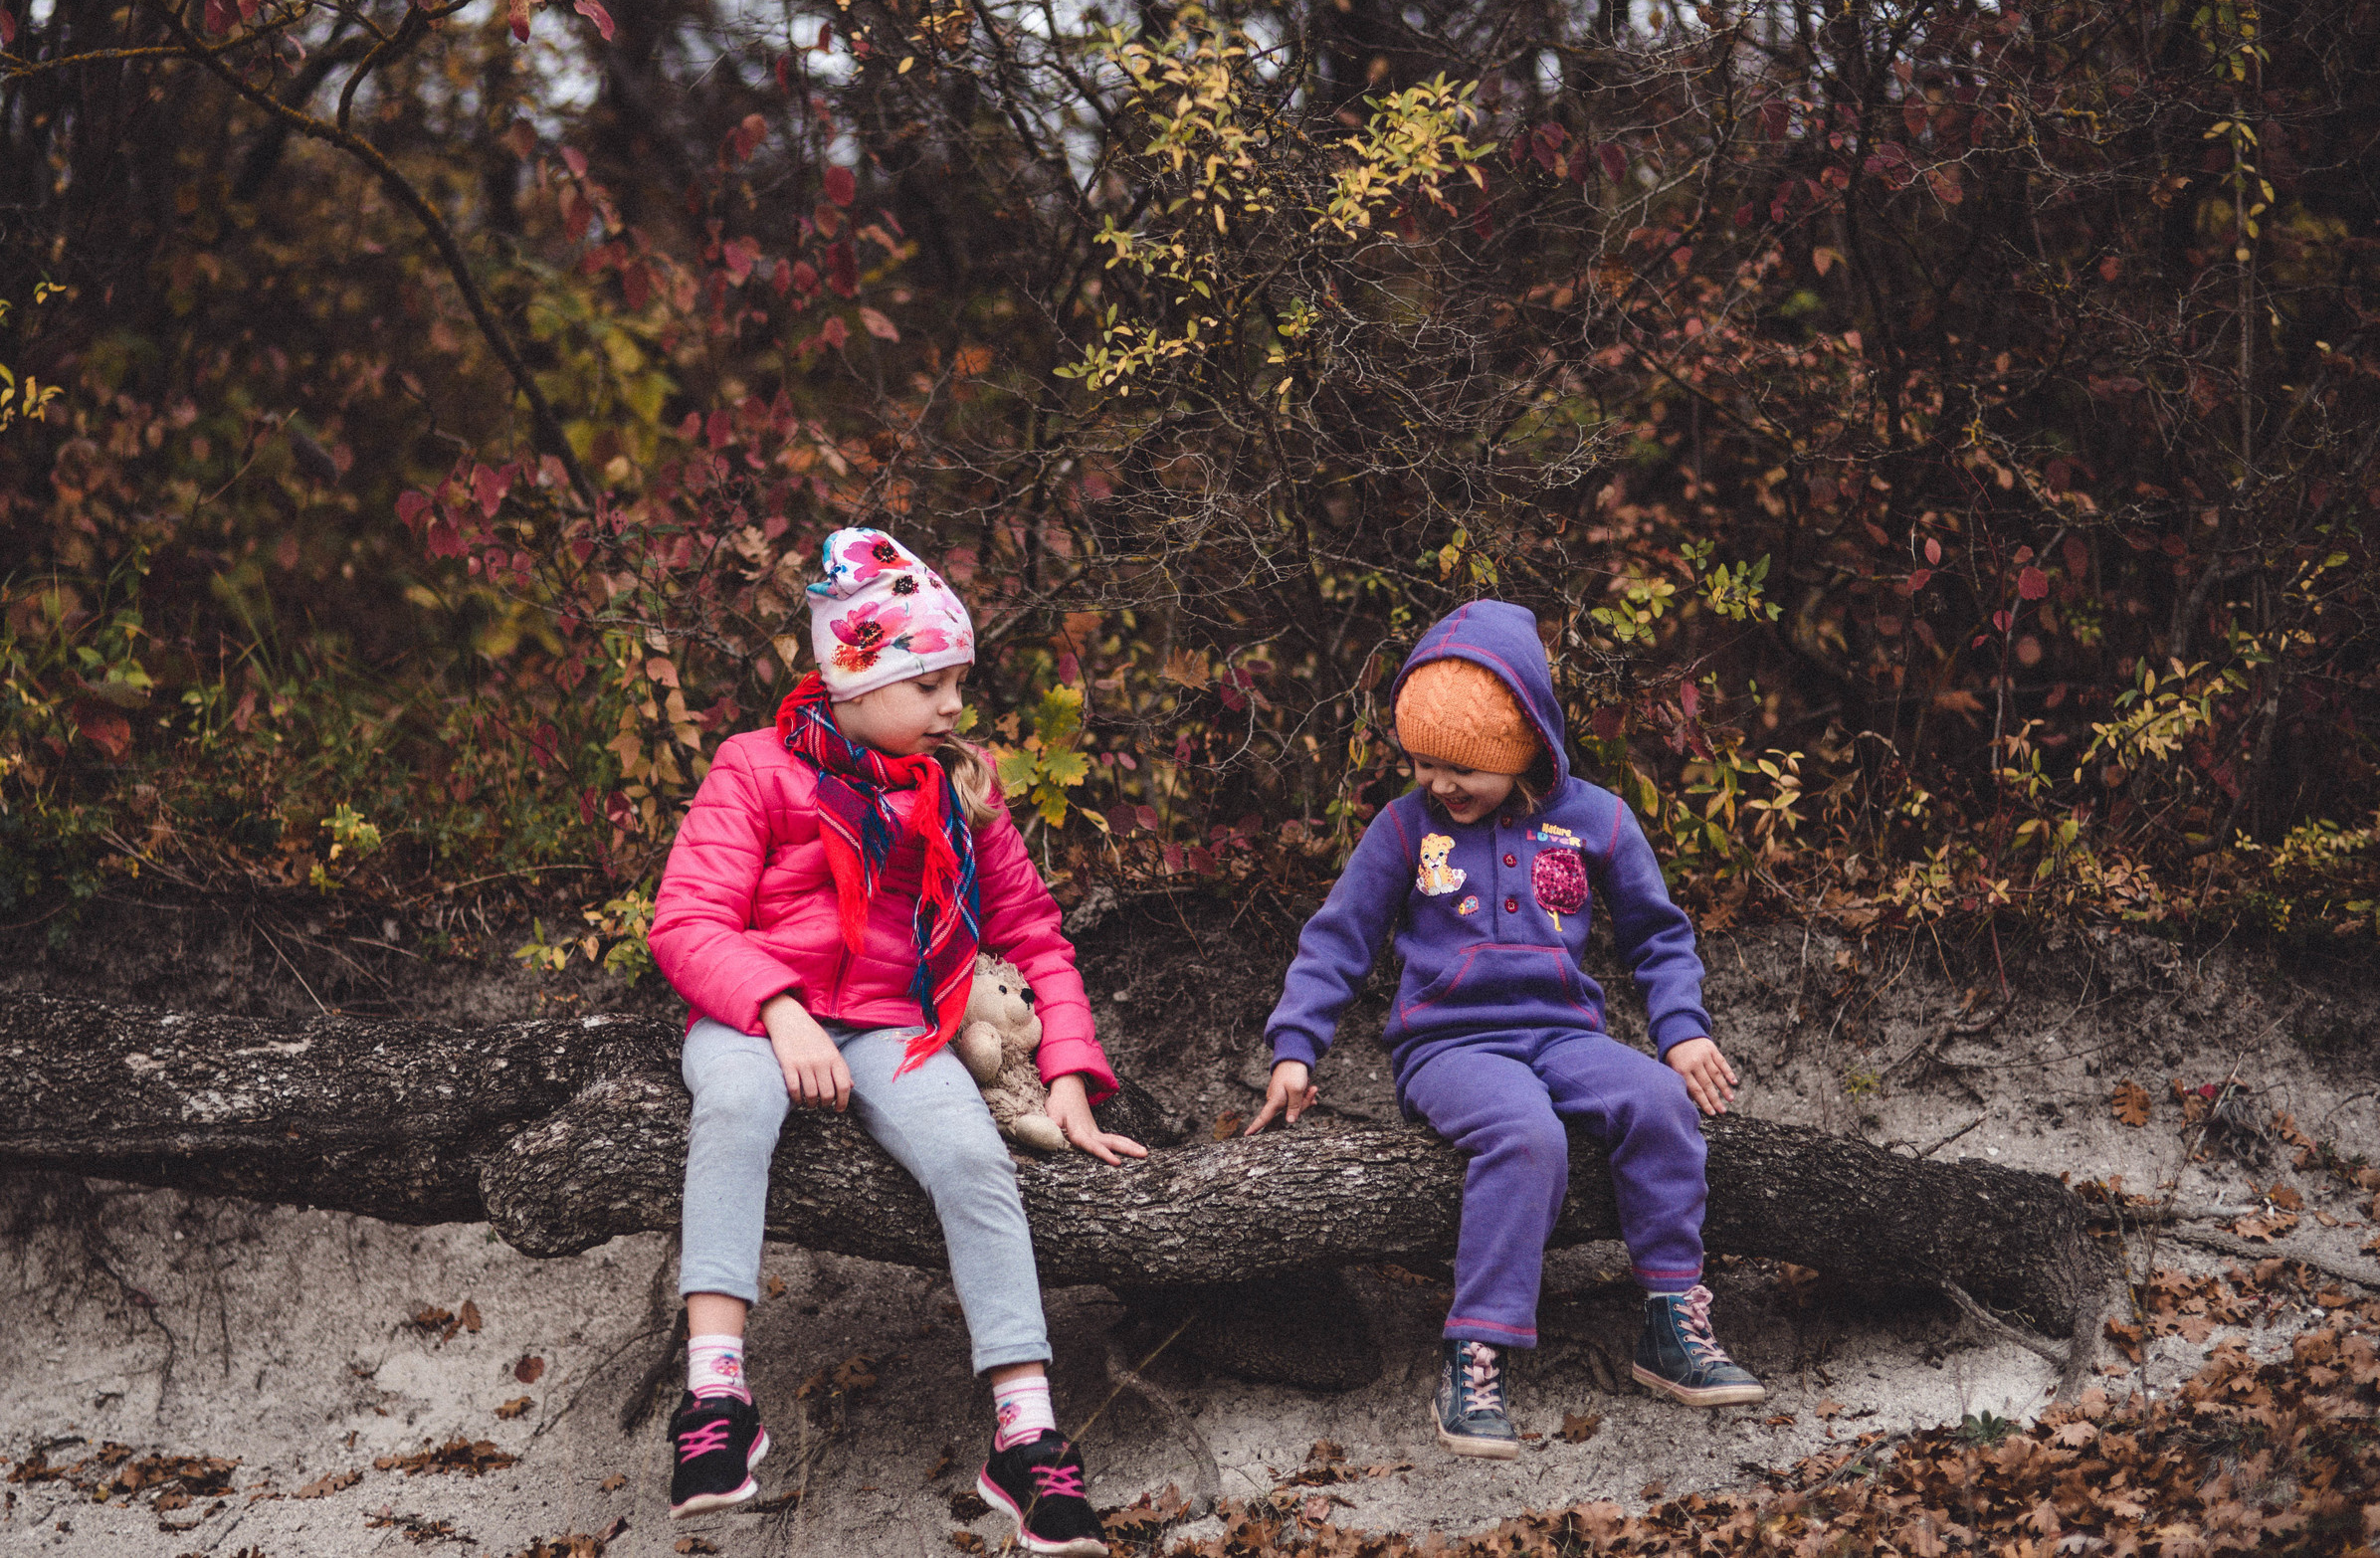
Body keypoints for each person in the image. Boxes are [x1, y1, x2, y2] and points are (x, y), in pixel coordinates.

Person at [647, 526, 1144, 1555]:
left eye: (955, 679)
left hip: (889, 1027)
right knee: (735, 1104)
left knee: (972, 1156)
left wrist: (1066, 1071)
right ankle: (714, 1399)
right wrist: (779, 1007)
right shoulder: (754, 769)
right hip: (752, 1016)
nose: (952, 704)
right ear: (851, 680)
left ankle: (1026, 1430)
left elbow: (1031, 932)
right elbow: (686, 922)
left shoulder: (959, 788)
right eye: (928, 681)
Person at [1247, 599, 1765, 1461]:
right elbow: (1338, 936)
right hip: (1449, 1048)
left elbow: (1659, 934)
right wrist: (1297, 1046)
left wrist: (1681, 1032)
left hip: (1564, 1035)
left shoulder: (1595, 820)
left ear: (1526, 741)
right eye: (1421, 762)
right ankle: (1474, 1350)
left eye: (1461, 768)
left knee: (1659, 1102)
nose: (1439, 784)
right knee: (1529, 1135)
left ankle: (1672, 1319)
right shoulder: (1405, 829)